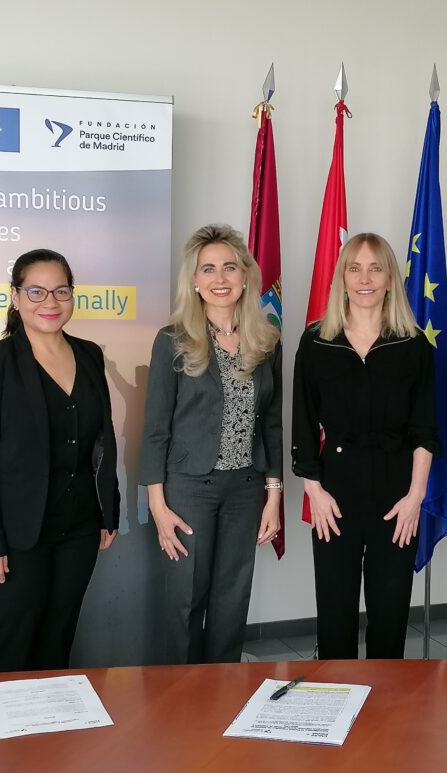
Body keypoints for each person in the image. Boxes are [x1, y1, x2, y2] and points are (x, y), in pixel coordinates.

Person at [0, 248, 120, 673]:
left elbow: (102, 441)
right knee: (12, 645)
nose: (50, 301)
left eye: (60, 291)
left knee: (57, 641)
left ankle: (48, 719)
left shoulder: (89, 354)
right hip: (14, 535)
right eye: (36, 291)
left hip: (79, 529)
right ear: (15, 296)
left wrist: (108, 511)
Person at [292, 232, 439, 660]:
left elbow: (425, 429)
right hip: (334, 490)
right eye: (354, 268)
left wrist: (415, 498)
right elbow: (303, 423)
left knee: (390, 612)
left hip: (397, 492)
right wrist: (314, 491)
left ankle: (386, 699)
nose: (365, 278)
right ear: (342, 278)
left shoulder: (414, 345)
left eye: (376, 268)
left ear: (390, 279)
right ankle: (336, 695)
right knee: (334, 610)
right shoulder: (316, 341)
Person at [141, 224, 282, 665]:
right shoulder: (172, 340)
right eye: (208, 269)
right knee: (186, 601)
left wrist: (273, 495)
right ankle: (181, 696)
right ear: (195, 280)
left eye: (229, 268)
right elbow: (156, 428)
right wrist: (157, 505)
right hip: (188, 489)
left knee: (231, 601)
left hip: (245, 489)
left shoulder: (266, 341)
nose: (220, 278)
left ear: (245, 276)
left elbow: (272, 424)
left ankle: (221, 691)